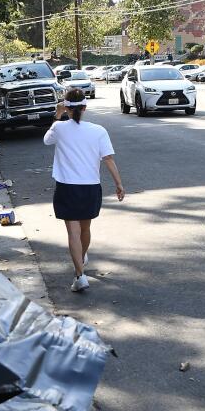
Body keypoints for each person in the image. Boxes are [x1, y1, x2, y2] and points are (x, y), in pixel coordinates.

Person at [43, 86, 124, 293]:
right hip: (90, 187)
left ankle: (80, 276)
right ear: (85, 107)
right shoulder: (98, 131)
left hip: (66, 187)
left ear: (67, 108)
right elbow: (108, 159)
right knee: (85, 229)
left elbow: (46, 140)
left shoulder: (59, 128)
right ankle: (81, 258)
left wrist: (57, 114)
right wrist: (118, 184)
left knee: (73, 232)